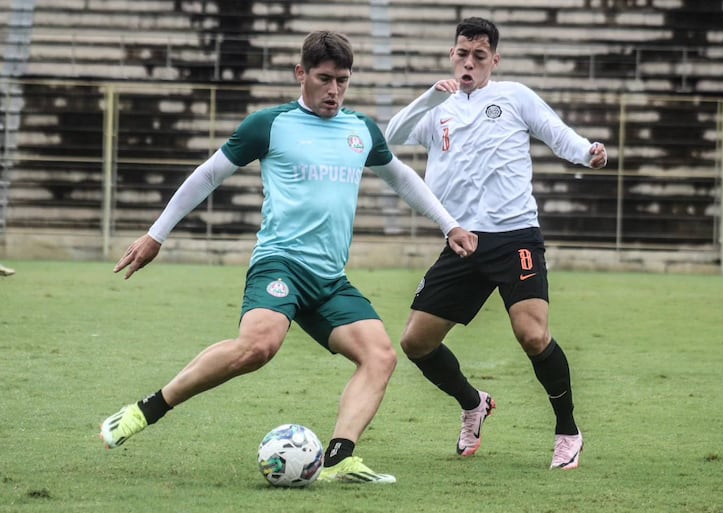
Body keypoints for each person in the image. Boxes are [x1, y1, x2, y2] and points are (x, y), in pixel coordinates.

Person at [99, 30, 478, 484]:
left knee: (380, 356)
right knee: (259, 347)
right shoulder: (270, 124)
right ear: (301, 74)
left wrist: (449, 223)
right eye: (324, 79)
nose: (334, 90)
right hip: (280, 263)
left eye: (343, 80)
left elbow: (402, 179)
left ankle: (339, 459)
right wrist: (155, 235)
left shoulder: (360, 130)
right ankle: (147, 410)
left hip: (329, 278)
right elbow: (208, 175)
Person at [384, 17, 608, 470]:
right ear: (452, 55)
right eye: (462, 54)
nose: (469, 63)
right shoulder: (437, 109)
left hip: (515, 237)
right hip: (462, 240)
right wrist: (431, 94)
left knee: (532, 334)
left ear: (494, 60)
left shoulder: (513, 96)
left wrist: (587, 152)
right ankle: (473, 403)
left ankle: (567, 430)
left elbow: (556, 131)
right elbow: (389, 137)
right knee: (415, 344)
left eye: (479, 56)